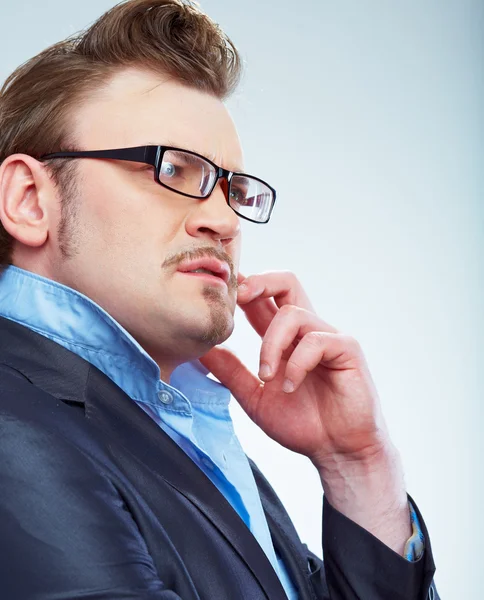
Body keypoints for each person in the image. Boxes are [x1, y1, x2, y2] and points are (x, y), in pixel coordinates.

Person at [0, 1, 439, 598]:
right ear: (29, 199)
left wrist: (355, 464)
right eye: (174, 169)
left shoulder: (184, 439)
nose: (223, 220)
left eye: (232, 187)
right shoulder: (15, 425)